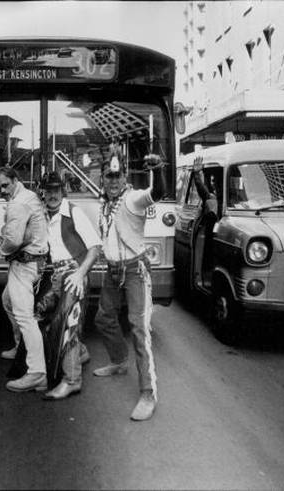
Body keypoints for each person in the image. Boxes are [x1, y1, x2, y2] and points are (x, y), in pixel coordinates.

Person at [93, 152, 168, 421]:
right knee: (103, 318)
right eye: (108, 176)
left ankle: (148, 393)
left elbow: (157, 192)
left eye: (117, 175)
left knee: (139, 329)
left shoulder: (132, 198)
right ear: (102, 178)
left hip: (135, 271)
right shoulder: (103, 203)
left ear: (125, 176)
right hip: (113, 272)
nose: (113, 181)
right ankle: (118, 361)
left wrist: (157, 169)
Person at [36, 172, 100, 400]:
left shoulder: (74, 212)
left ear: (63, 191)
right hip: (55, 275)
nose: (52, 195)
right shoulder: (43, 215)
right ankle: (78, 352)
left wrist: (80, 273)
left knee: (68, 322)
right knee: (38, 314)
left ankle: (72, 379)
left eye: (56, 190)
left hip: (75, 273)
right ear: (42, 192)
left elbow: (94, 248)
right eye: (48, 190)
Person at [0, 167, 49, 392]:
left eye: (6, 185)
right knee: (7, 301)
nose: (2, 191)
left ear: (16, 181)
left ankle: (37, 372)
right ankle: (21, 347)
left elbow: (12, 241)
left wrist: (2, 247)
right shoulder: (29, 197)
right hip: (33, 262)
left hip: (24, 265)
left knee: (25, 317)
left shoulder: (18, 203)